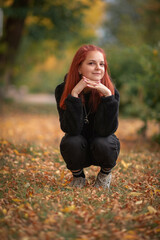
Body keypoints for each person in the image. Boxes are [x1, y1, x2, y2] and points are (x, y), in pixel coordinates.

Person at [55, 44, 120, 189]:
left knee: (104, 142)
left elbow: (107, 131)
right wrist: (74, 95)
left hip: (102, 146)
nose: (98, 68)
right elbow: (70, 129)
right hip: (79, 147)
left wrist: (108, 97)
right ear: (78, 67)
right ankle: (78, 177)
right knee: (71, 141)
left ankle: (104, 176)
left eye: (101, 64)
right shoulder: (62, 90)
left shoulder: (111, 91)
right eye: (92, 63)